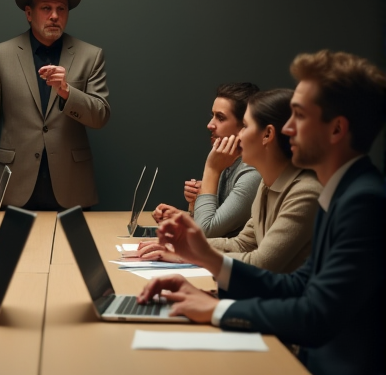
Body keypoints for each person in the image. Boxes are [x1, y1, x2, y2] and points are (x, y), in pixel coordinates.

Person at [137, 50, 386, 375]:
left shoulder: (362, 200)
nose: (286, 129)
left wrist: (218, 310)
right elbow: (299, 285)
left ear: (336, 130)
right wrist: (205, 263)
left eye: (298, 115)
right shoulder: (342, 189)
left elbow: (315, 316)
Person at [0, 0, 111, 210]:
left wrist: (68, 91)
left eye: (61, 9)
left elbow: (100, 116)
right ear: (29, 13)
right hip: (14, 182)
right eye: (46, 8)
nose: (55, 16)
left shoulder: (91, 55)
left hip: (72, 185)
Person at [140, 89, 322, 272]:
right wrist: (181, 246)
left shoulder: (305, 192)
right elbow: (242, 244)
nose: (240, 135)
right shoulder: (268, 185)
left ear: (267, 135)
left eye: (245, 126)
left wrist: (188, 254)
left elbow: (261, 262)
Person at [153, 83, 261, 238]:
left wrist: (211, 169)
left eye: (221, 118)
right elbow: (215, 225)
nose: (210, 125)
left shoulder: (252, 173)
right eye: (213, 116)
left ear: (244, 126)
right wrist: (186, 217)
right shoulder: (228, 162)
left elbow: (206, 232)